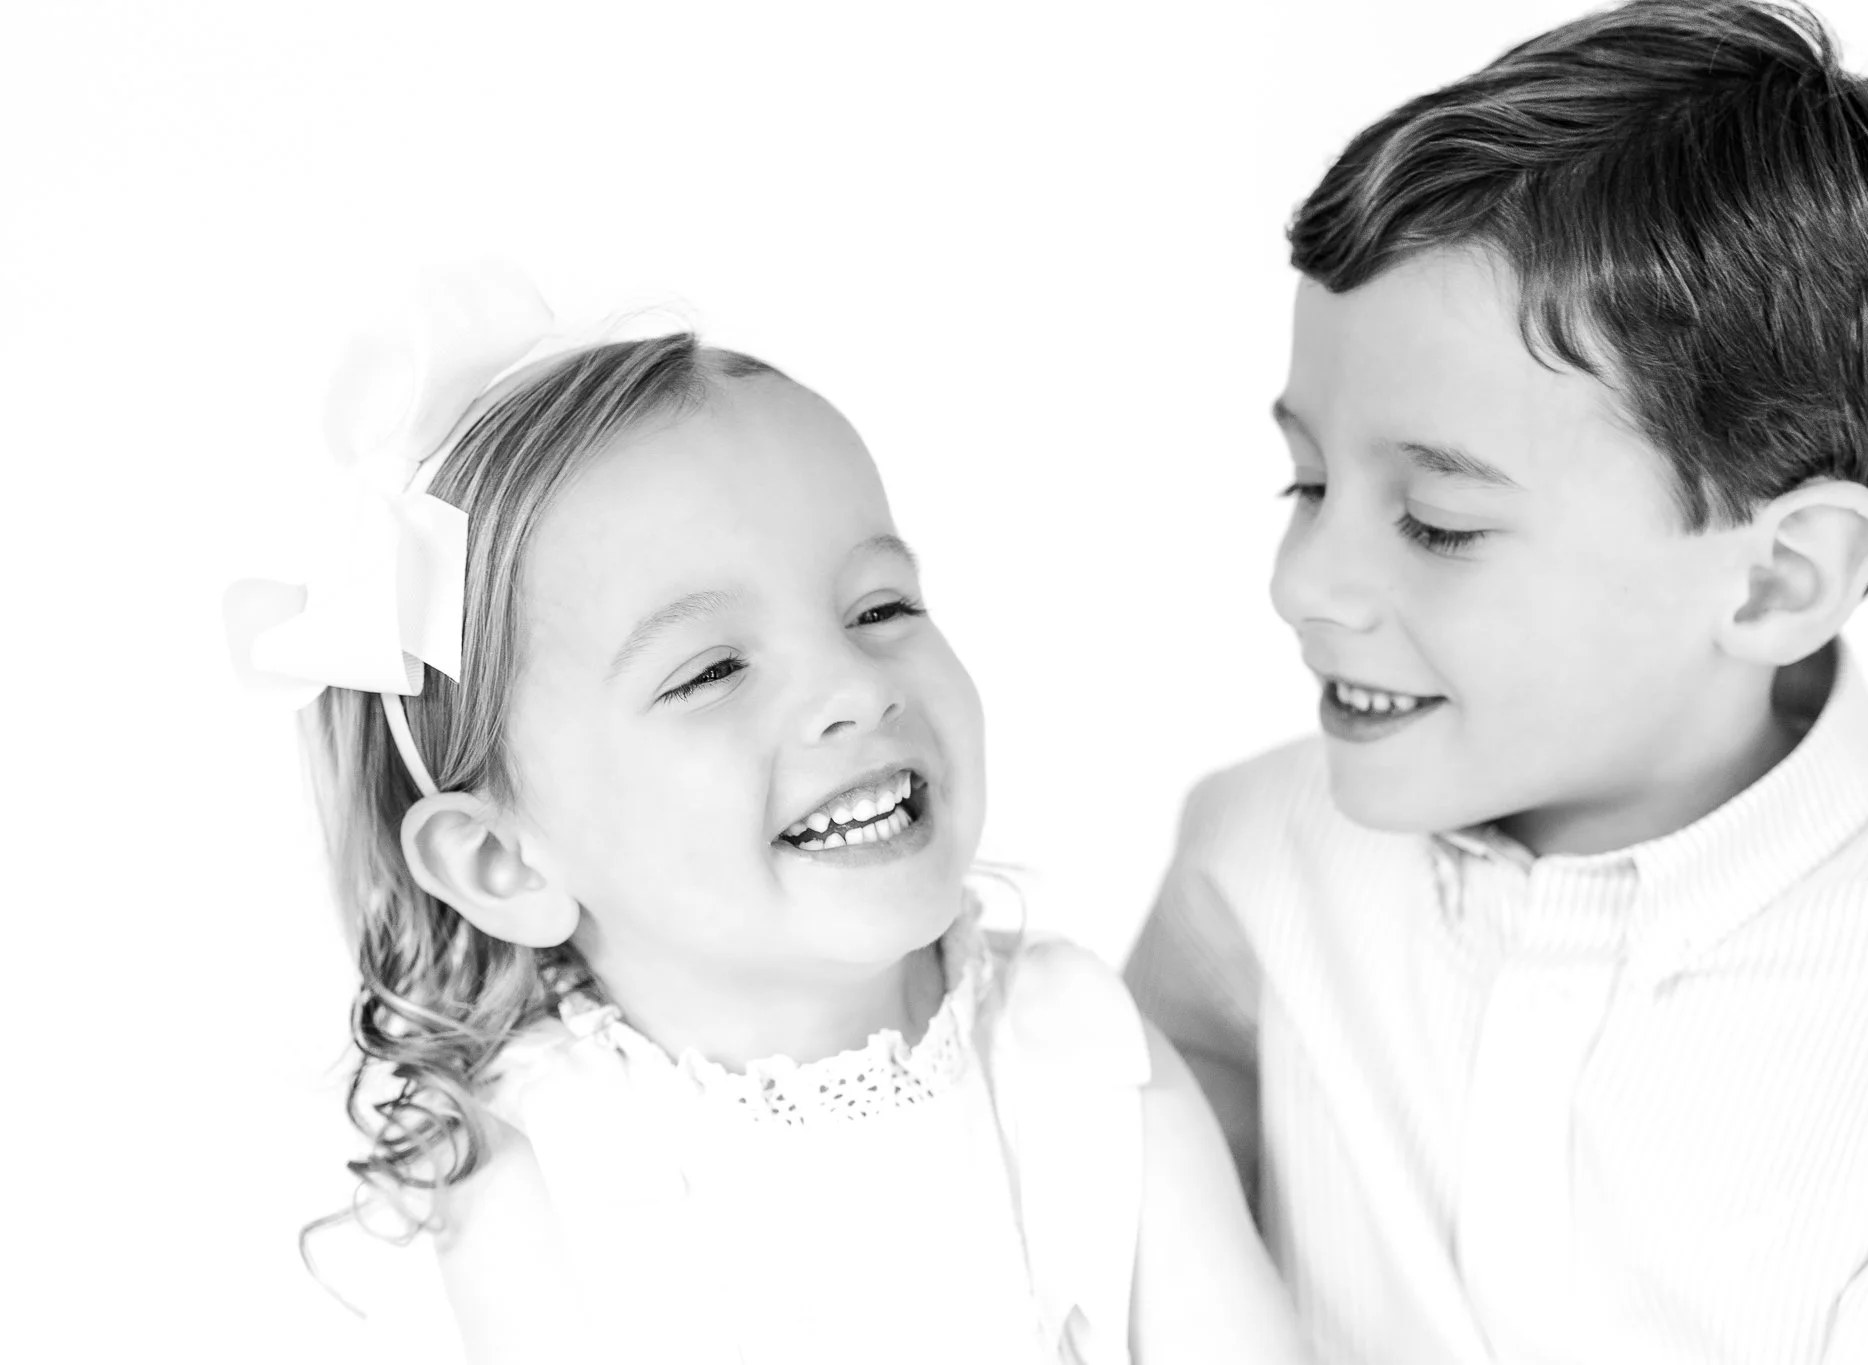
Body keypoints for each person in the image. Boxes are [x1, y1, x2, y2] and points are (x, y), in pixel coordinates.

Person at [1124, 2, 1868, 1361]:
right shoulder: (1253, 860)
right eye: (1307, 480)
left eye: (1438, 521)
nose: (1303, 581)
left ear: (1777, 578)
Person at [229, 277, 1308, 1365]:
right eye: (711, 671)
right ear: (504, 861)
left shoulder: (1081, 1060)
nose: (852, 685)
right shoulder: (535, 1176)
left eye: (879, 608)